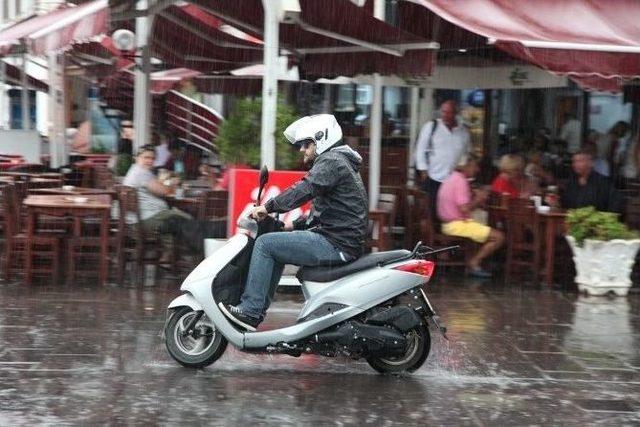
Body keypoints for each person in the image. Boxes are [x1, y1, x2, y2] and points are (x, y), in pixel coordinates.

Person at [220, 114, 368, 331]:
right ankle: (255, 310)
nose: (302, 150)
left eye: (306, 144)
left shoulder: (332, 161)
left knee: (265, 244)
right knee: (276, 245)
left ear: (321, 139)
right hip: (339, 239)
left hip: (336, 243)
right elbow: (324, 212)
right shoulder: (339, 161)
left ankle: (250, 311)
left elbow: (304, 189)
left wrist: (268, 207)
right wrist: (291, 226)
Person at [437, 154, 505, 278]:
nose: (477, 169)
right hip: (457, 225)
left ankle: (475, 260)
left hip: (447, 224)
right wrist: (479, 199)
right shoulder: (461, 181)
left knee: (480, 223)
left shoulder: (451, 178)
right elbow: (465, 208)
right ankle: (474, 262)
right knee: (499, 237)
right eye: (474, 166)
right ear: (465, 166)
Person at [122, 145, 192, 255]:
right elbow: (164, 191)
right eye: (146, 157)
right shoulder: (141, 173)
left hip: (139, 218)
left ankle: (169, 255)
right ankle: (188, 257)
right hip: (146, 218)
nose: (150, 161)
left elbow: (157, 188)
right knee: (187, 219)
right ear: (137, 158)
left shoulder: (135, 170)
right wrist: (173, 184)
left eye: (152, 158)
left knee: (173, 220)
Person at [415, 100, 470, 210]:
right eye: (443, 112)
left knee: (450, 211)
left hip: (453, 181)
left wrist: (462, 171)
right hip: (433, 178)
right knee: (431, 211)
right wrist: (423, 172)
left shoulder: (463, 131)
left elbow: (466, 153)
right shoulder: (431, 127)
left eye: (449, 112)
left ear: (456, 113)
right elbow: (420, 150)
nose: (445, 115)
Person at [559, 149, 621, 213]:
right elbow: (564, 205)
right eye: (574, 161)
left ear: (590, 163)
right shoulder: (571, 183)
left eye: (580, 161)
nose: (576, 164)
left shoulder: (603, 183)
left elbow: (614, 205)